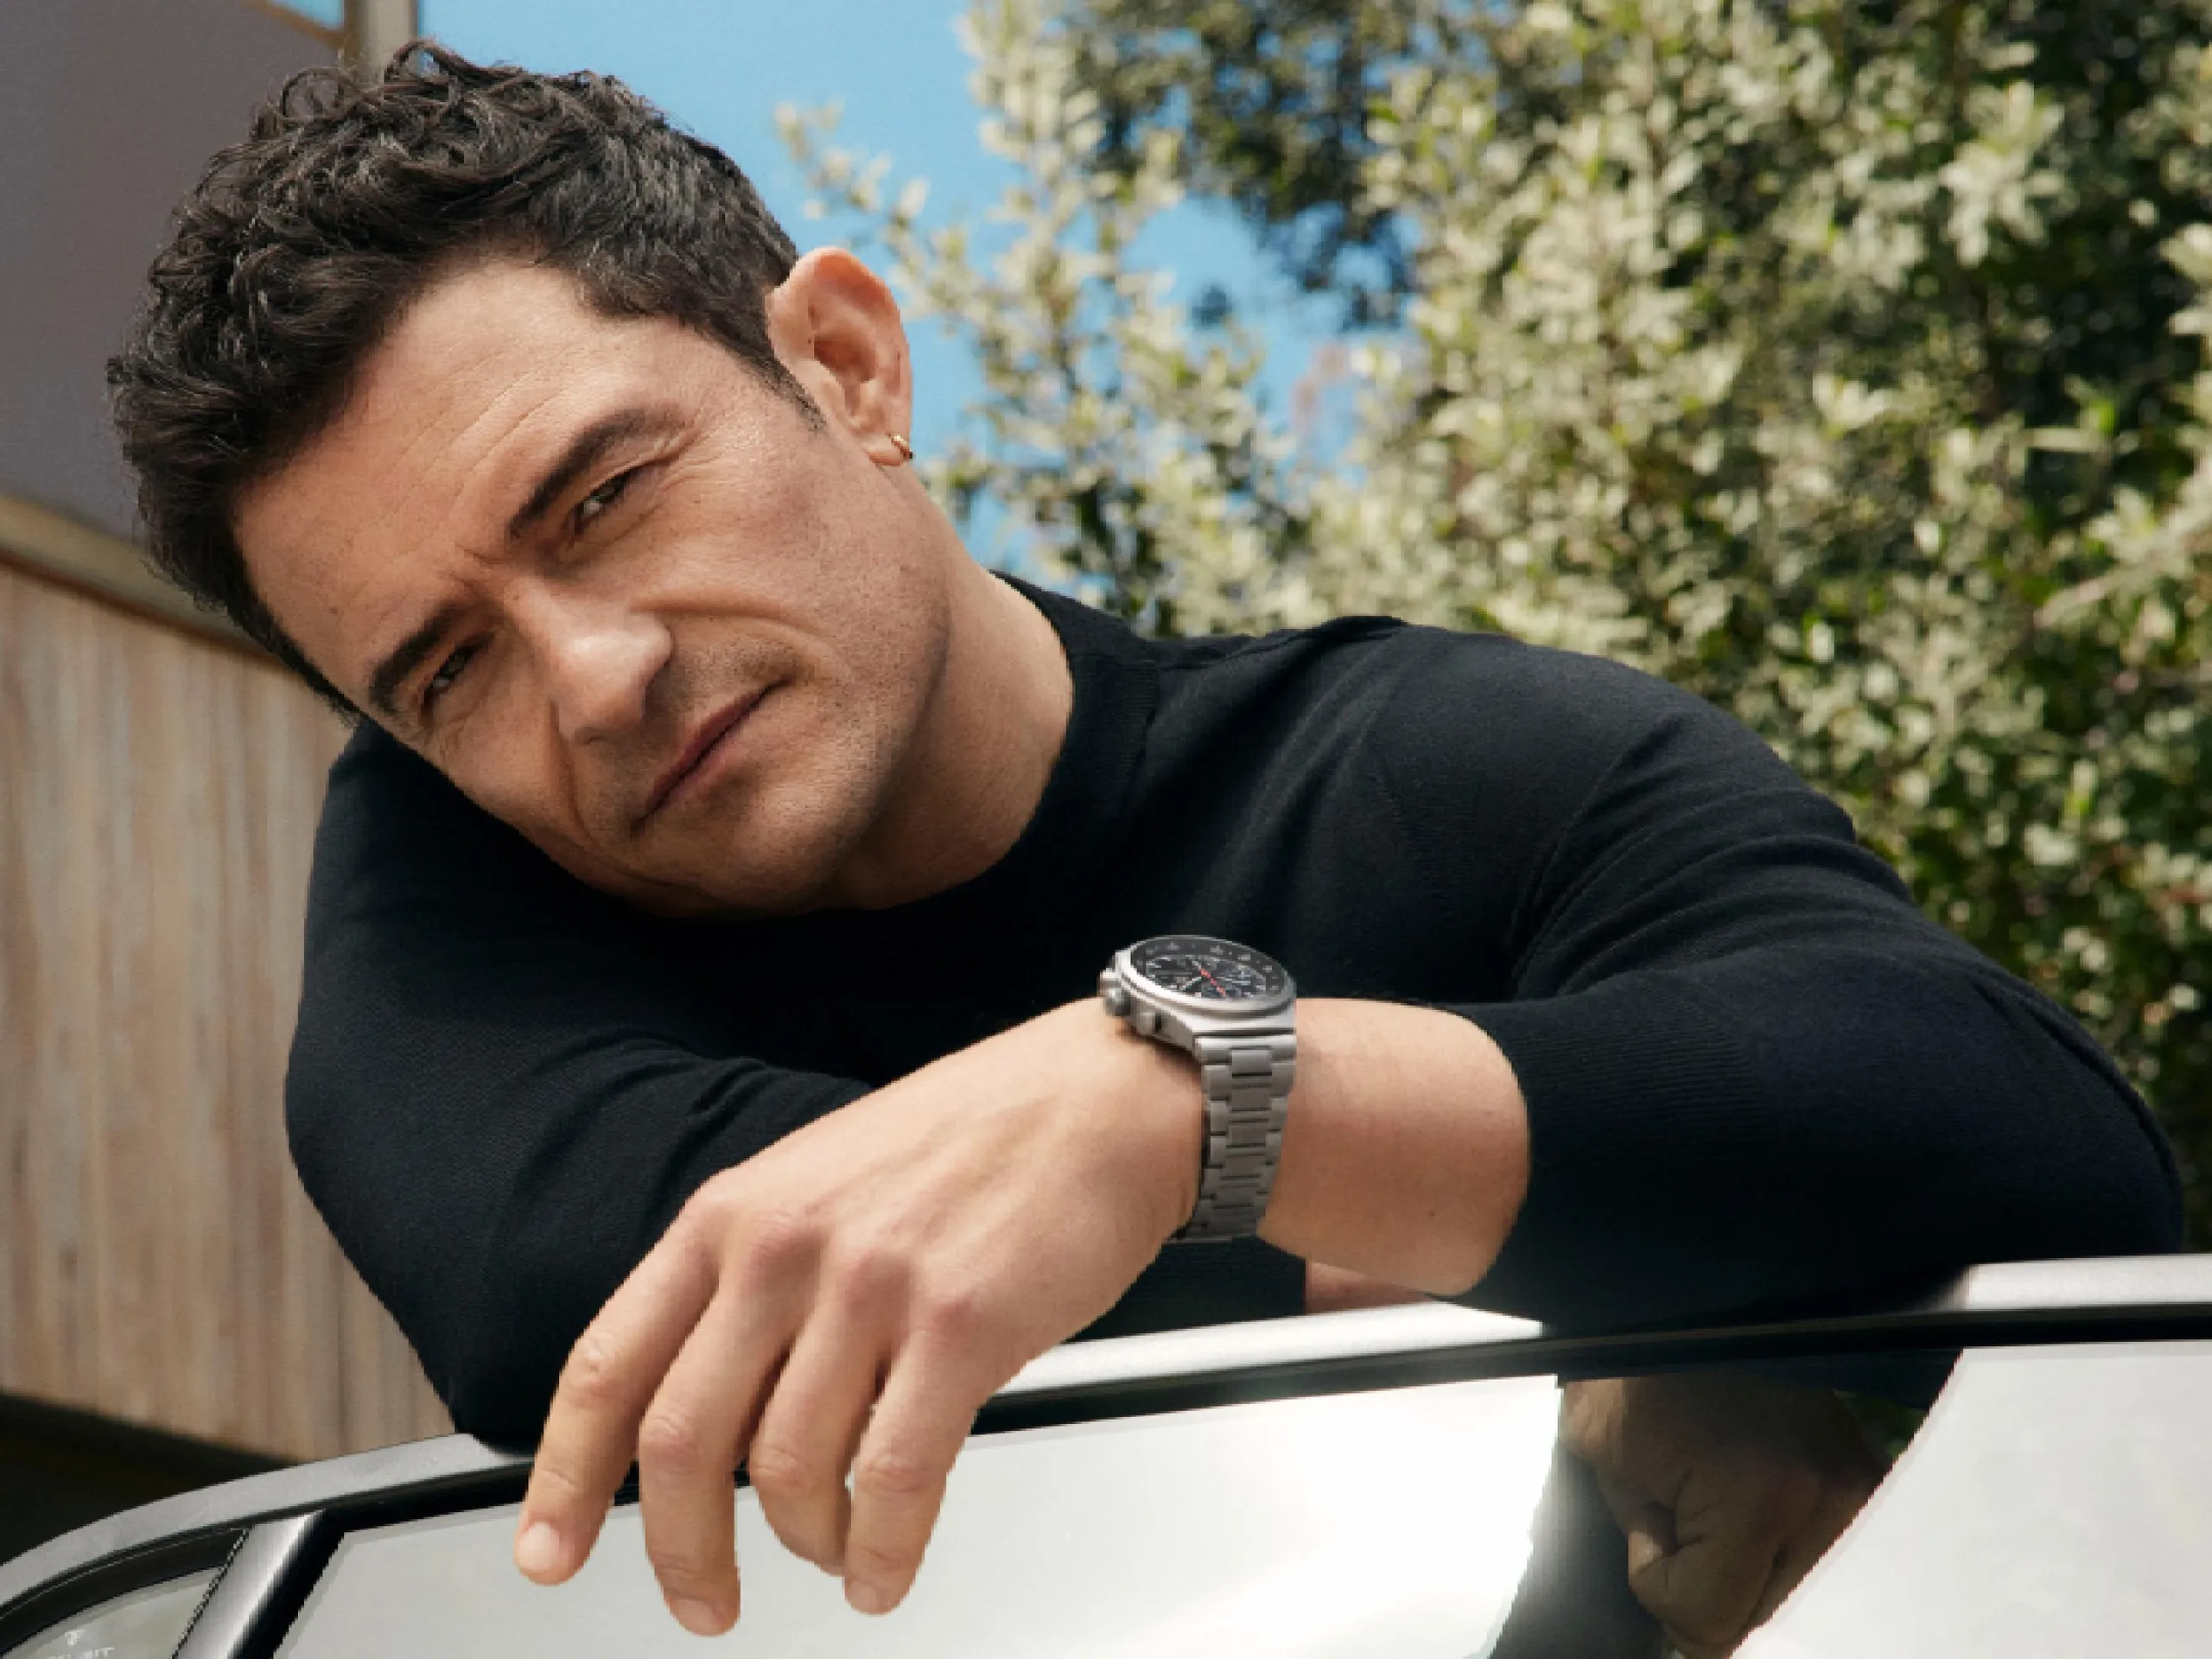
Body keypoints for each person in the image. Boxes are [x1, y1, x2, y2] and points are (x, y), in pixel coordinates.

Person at [108, 45, 2178, 1643]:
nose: (591, 679)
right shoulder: (475, 852)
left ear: (842, 364)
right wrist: (1564, 1243)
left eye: (602, 497)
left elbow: (2019, 1136)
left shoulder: (1444, 760)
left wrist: (1190, 1109)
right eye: (443, 667)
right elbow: (557, 1284)